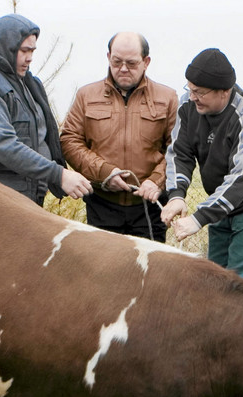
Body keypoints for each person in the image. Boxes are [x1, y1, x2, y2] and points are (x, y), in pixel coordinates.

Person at [162, 48, 243, 285]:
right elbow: (180, 151)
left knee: (240, 289)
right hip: (221, 204)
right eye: (190, 88)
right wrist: (176, 195)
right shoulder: (188, 105)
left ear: (224, 92)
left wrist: (198, 218)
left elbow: (241, 178)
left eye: (200, 92)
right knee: (216, 282)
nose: (192, 96)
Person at [0, 14, 91, 204]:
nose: (30, 58)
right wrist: (58, 175)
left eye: (32, 51)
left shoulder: (26, 84)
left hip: (18, 199)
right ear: (6, 47)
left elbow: (39, 138)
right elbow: (2, 143)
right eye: (24, 51)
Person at [60, 32, 178, 241]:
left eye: (131, 63)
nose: (123, 69)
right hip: (101, 205)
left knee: (149, 272)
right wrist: (104, 172)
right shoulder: (86, 96)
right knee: (103, 271)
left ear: (146, 62)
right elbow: (70, 140)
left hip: (149, 208)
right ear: (108, 58)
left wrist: (156, 181)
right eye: (117, 62)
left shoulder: (167, 98)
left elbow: (177, 149)